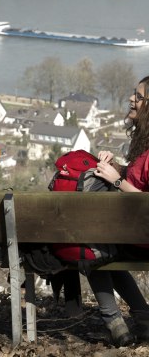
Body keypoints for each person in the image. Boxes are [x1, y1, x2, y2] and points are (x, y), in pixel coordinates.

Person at [88, 76, 149, 346]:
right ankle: (143, 318)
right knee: (102, 251)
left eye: (139, 97)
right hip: (134, 233)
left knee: (88, 249)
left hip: (142, 239)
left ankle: (115, 324)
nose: (131, 100)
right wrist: (119, 168)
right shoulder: (144, 144)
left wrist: (116, 180)